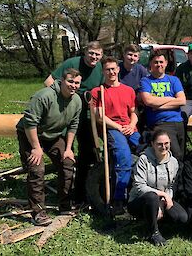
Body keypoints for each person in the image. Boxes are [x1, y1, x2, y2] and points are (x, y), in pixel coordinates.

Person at [17, 68, 82, 226]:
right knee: (37, 168)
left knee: (67, 163)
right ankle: (38, 212)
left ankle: (65, 205)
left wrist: (68, 149)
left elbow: (73, 125)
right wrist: (36, 148)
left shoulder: (77, 101)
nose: (73, 85)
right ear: (61, 81)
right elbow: (30, 123)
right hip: (30, 134)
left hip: (53, 136)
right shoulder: (44, 96)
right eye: (70, 82)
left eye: (77, 83)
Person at [44, 41, 104, 204]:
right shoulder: (72, 63)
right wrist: (62, 97)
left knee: (88, 153)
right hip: (68, 113)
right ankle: (64, 192)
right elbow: (49, 80)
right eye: (91, 53)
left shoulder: (99, 68)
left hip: (87, 117)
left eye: (97, 54)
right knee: (63, 151)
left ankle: (82, 192)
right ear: (85, 52)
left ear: (101, 55)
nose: (94, 57)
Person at [90, 57, 140, 214]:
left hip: (130, 128)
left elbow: (134, 113)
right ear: (103, 71)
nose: (111, 72)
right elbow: (99, 116)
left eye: (113, 69)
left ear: (118, 69)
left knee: (149, 152)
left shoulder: (128, 90)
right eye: (107, 69)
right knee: (124, 156)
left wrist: (131, 125)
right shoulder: (98, 91)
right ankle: (118, 199)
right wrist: (119, 127)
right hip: (111, 128)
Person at [128, 130, 188, 246]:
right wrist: (163, 195)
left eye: (166, 143)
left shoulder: (174, 162)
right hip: (139, 201)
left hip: (161, 200)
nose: (163, 147)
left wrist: (164, 201)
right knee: (152, 197)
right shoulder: (143, 160)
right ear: (152, 144)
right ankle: (154, 232)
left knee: (182, 217)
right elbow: (140, 186)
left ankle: (153, 222)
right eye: (159, 144)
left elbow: (171, 186)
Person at [139, 51, 186, 160]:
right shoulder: (145, 81)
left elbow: (182, 100)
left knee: (182, 155)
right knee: (175, 154)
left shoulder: (174, 80)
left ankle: (181, 177)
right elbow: (149, 101)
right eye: (156, 62)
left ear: (166, 63)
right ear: (150, 64)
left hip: (178, 121)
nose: (159, 65)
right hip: (161, 123)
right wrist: (171, 99)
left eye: (161, 62)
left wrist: (159, 106)